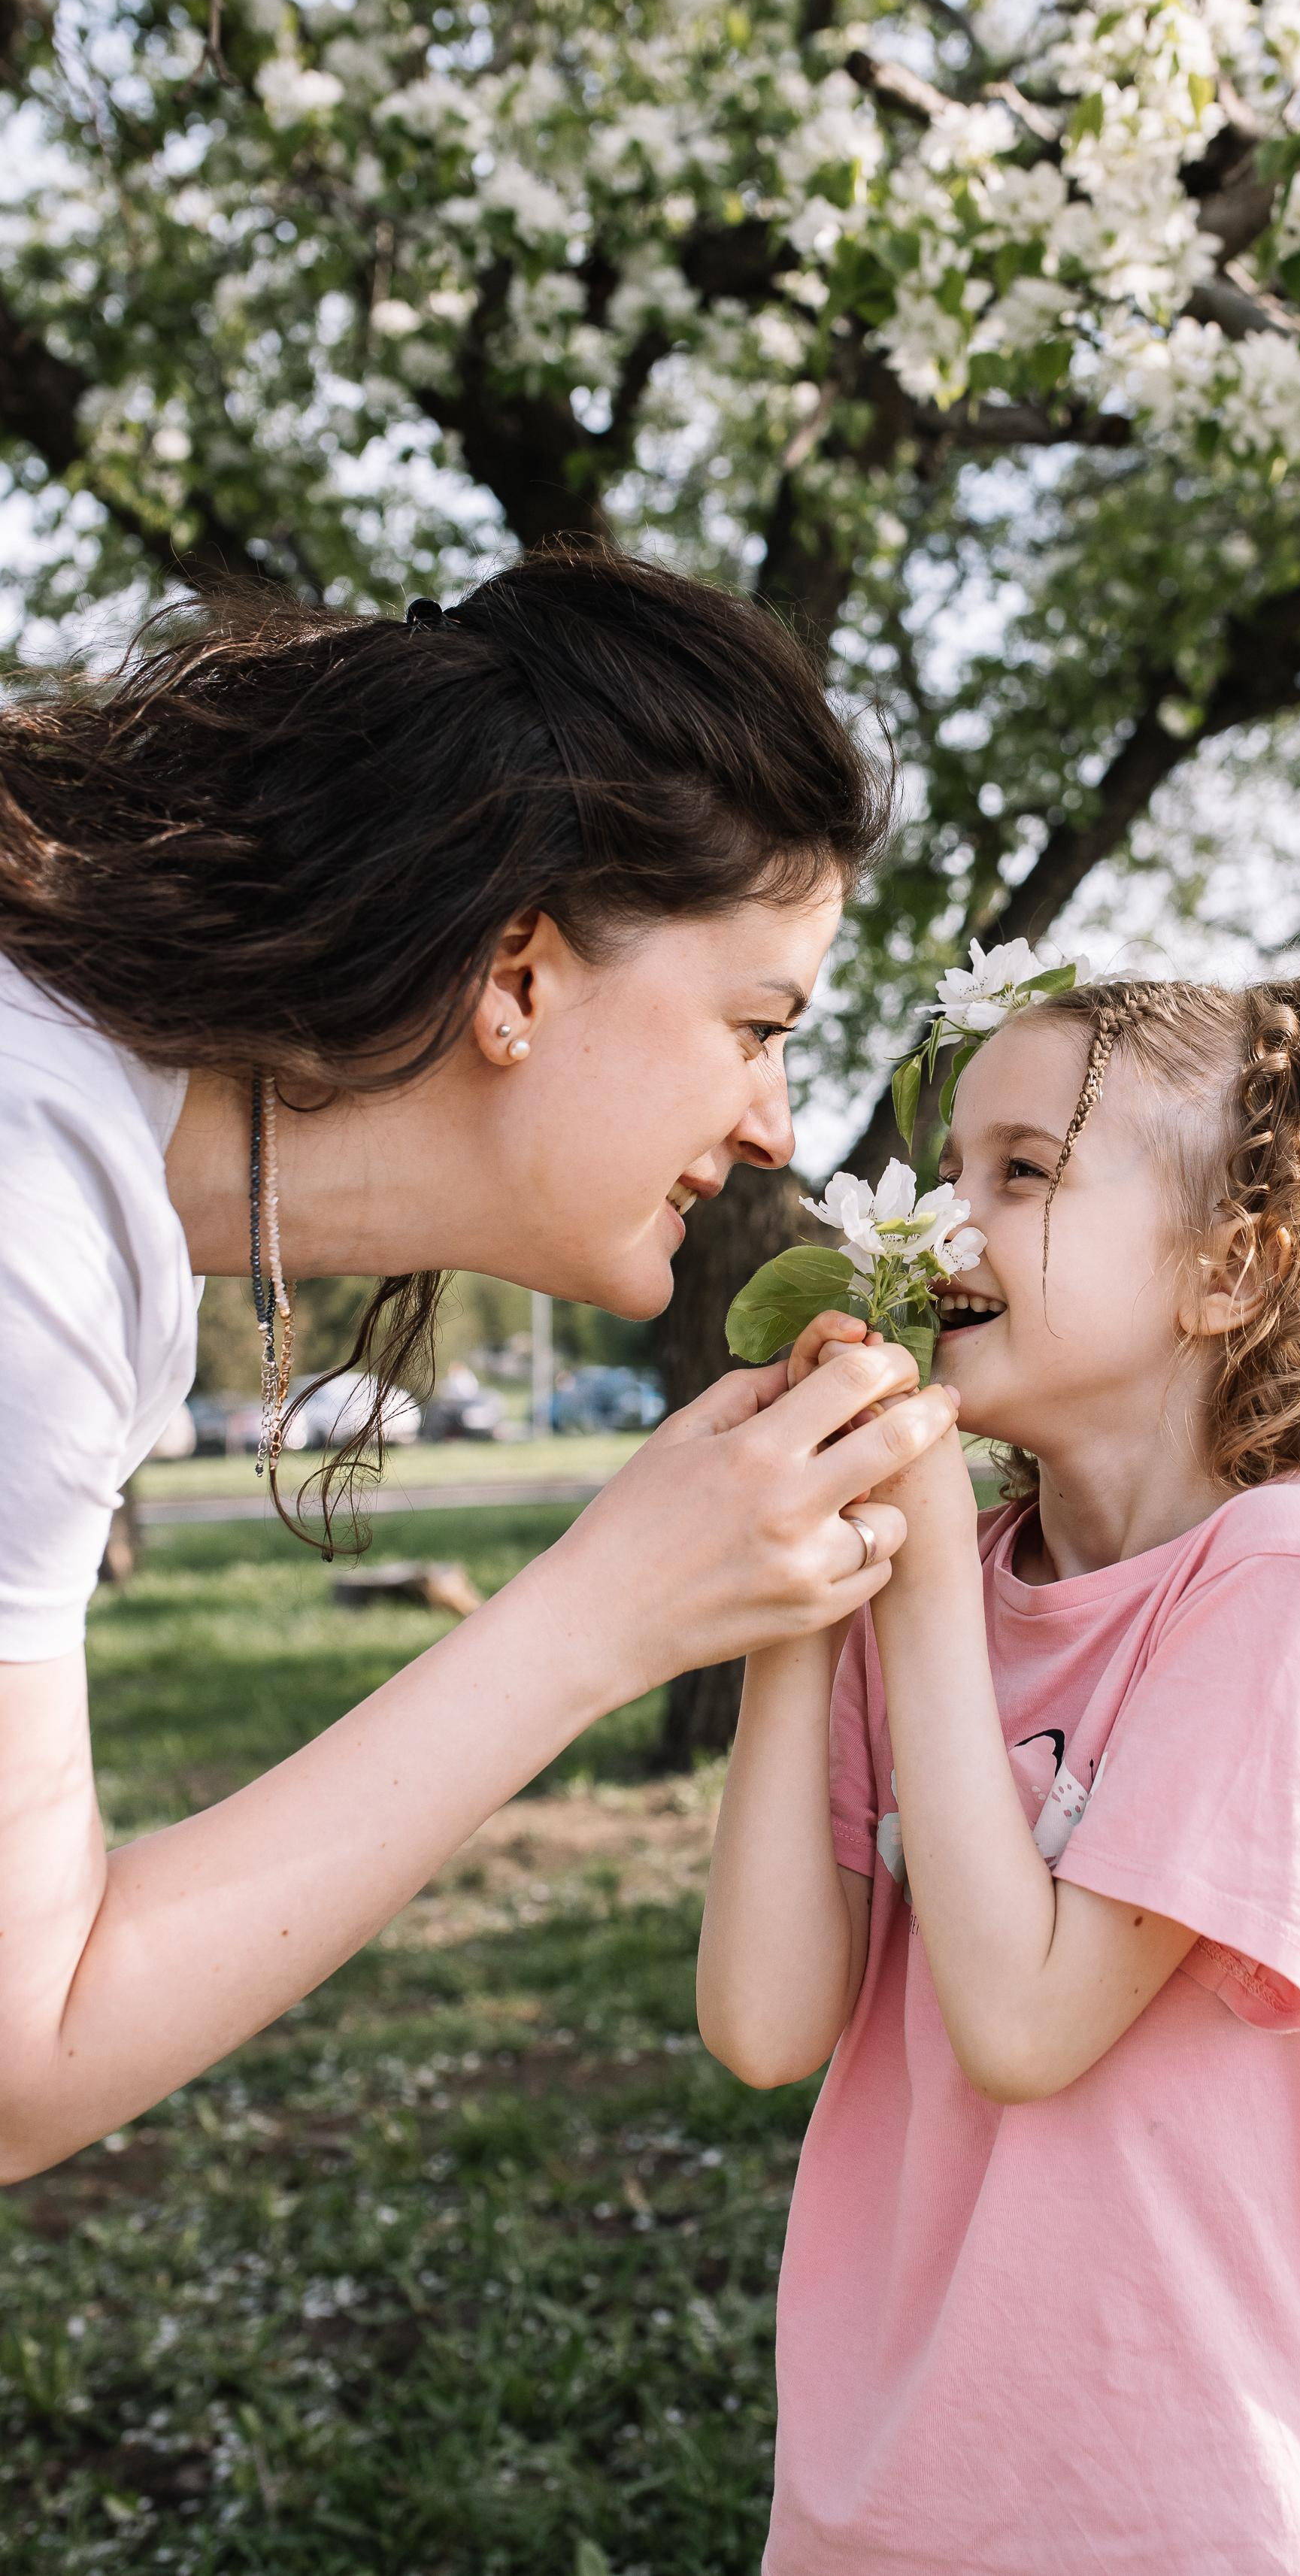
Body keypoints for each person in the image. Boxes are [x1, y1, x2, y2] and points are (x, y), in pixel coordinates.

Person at [0, 546, 957, 2187]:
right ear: (519, 971)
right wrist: (600, 1614)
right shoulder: (32, 1213)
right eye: (756, 1023)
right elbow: (20, 2053)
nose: (773, 1127)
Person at [698, 965, 1300, 2575]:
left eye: (1023, 1169)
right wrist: (798, 1585)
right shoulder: (926, 1580)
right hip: (884, 2502)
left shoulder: (1281, 1579)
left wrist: (907, 1590)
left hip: (1193, 2501)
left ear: (1227, 1267)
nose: (937, 1223)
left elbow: (1025, 2023)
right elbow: (767, 2022)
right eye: (946, 1167)